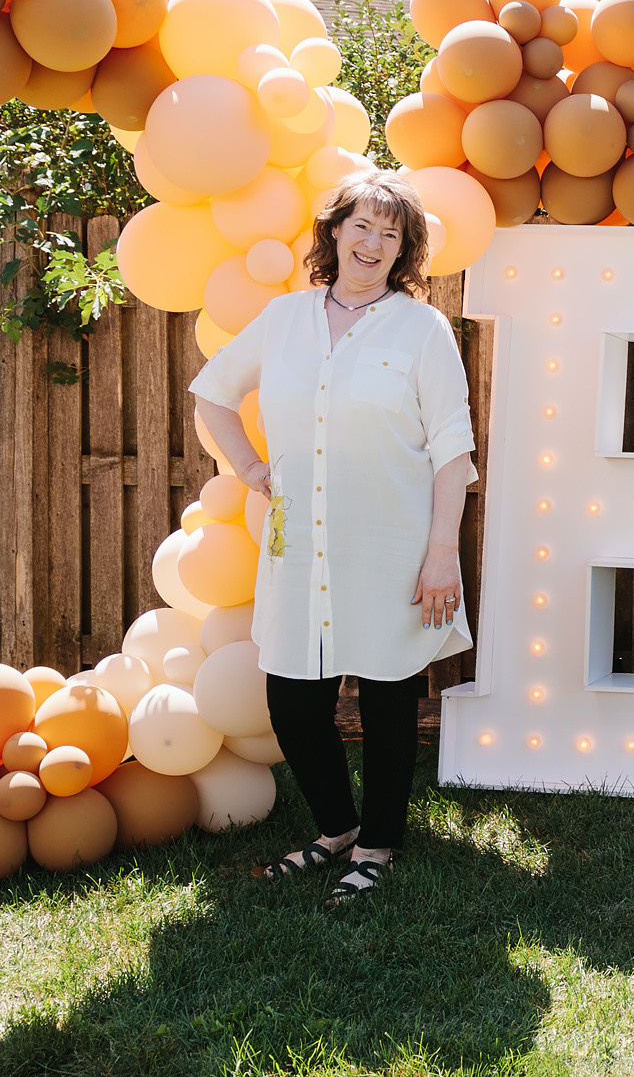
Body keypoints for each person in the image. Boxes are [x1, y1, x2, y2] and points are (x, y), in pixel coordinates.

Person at [188, 168, 475, 904]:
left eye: (392, 232)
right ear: (335, 232)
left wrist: (441, 552)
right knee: (293, 699)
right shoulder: (284, 319)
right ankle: (336, 828)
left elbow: (452, 449)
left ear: (404, 250)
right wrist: (251, 466)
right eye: (362, 225)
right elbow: (213, 394)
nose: (374, 242)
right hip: (299, 545)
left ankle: (378, 844)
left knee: (386, 697)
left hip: (394, 544)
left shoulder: (421, 328)